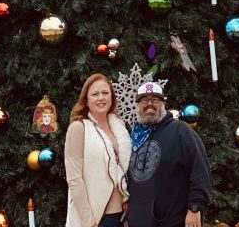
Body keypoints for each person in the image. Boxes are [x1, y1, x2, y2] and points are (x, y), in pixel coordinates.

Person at [127, 82, 212, 227]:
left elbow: (200, 170)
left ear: (163, 103)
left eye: (155, 99)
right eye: (143, 100)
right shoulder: (133, 137)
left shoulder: (180, 131)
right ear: (138, 105)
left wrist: (195, 207)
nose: (149, 104)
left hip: (172, 220)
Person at [65, 73, 132, 227]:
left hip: (123, 216)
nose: (101, 98)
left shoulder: (119, 128)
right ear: (86, 100)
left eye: (105, 93)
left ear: (112, 98)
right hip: (97, 219)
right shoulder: (78, 128)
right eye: (95, 94)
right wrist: (88, 221)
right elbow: (74, 179)